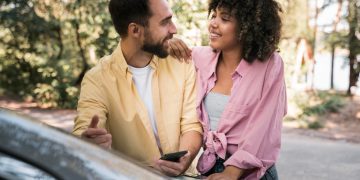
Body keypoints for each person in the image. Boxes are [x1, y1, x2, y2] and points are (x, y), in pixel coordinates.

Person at [72, 0, 203, 177]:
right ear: (135, 30)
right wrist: (87, 144)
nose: (174, 29)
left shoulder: (180, 62)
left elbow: (192, 125)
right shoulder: (97, 79)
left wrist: (184, 160)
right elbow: (85, 127)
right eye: (165, 22)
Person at [169, 0, 287, 179]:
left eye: (224, 19)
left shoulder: (270, 64)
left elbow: (264, 127)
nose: (213, 24)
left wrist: (233, 171)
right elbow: (167, 57)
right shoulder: (200, 58)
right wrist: (170, 44)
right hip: (210, 169)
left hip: (252, 172)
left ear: (248, 26)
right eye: (213, 16)